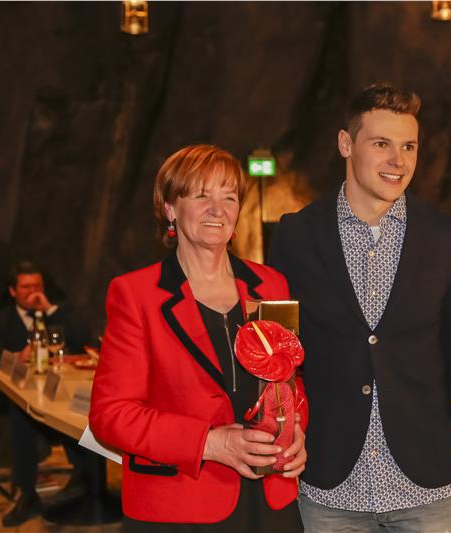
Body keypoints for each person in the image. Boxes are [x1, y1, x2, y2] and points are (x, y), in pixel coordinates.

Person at [269, 84, 451, 532]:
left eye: (408, 146)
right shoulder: (295, 236)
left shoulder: (446, 238)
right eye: (381, 144)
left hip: (427, 488)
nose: (398, 160)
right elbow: (277, 356)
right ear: (346, 144)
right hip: (329, 484)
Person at [89, 144, 307, 531]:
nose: (217, 209)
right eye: (201, 195)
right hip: (180, 504)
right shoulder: (136, 294)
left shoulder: (269, 284)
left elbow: (288, 381)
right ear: (170, 208)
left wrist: (296, 430)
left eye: (229, 197)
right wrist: (209, 443)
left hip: (269, 501)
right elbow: (111, 416)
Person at [0, 260, 92, 527]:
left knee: (79, 408)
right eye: (26, 287)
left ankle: (87, 481)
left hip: (60, 389)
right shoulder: (0, 321)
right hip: (21, 394)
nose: (33, 292)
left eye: (37, 286)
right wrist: (17, 356)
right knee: (21, 413)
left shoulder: (55, 313)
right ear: (13, 291)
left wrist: (50, 310)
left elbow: (87, 340)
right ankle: (27, 494)